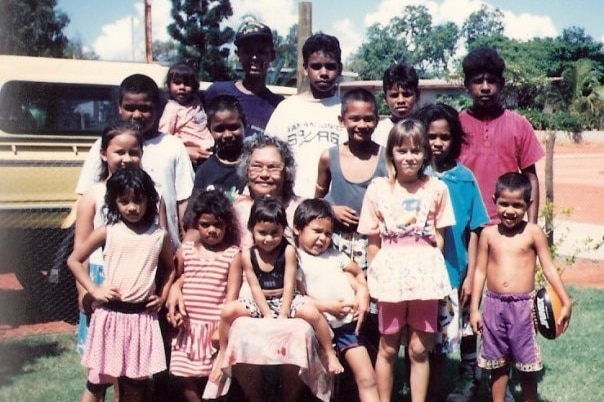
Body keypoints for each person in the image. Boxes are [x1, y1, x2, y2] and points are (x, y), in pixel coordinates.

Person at [357, 119, 455, 402]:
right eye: (402, 151)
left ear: (425, 153)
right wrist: (375, 279)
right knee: (387, 348)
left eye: (415, 151)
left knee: (418, 349)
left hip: (424, 276)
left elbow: (440, 239)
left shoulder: (436, 189)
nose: (409, 157)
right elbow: (372, 243)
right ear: (392, 155)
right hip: (390, 276)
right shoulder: (378, 189)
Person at [67, 165, 176, 402]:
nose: (132, 207)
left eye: (138, 200)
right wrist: (94, 289)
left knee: (135, 387)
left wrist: (163, 295)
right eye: (124, 201)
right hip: (110, 318)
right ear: (114, 202)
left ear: (150, 200)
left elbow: (170, 267)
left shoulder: (159, 236)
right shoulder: (108, 231)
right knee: (96, 383)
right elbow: (74, 260)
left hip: (141, 319)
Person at [212, 196, 344, 384]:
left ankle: (329, 353)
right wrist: (266, 313)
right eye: (262, 232)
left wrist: (283, 314)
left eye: (275, 233)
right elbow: (254, 286)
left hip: (286, 298)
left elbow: (290, 283)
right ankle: (224, 352)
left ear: (284, 230)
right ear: (251, 230)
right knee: (228, 311)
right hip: (260, 300)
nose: (268, 238)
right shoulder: (247, 255)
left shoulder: (288, 251)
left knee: (312, 313)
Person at [470, 172, 572, 402]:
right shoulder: (488, 234)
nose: (509, 210)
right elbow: (480, 271)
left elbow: (549, 268)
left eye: (517, 205)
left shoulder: (533, 233)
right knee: (497, 365)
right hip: (493, 307)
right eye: (504, 203)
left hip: (523, 309)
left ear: (529, 204)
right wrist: (475, 309)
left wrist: (565, 301)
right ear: (494, 199)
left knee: (527, 367)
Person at [414, 103, 489, 401]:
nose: (437, 143)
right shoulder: (414, 176)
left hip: (456, 270)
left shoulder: (464, 178)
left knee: (462, 327)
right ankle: (428, 389)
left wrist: (470, 274)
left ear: (454, 138)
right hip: (419, 272)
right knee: (426, 335)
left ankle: (469, 378)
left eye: (444, 137)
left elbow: (475, 228)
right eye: (431, 136)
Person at [75, 73, 194, 251]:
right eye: (130, 107)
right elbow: (85, 198)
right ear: (119, 108)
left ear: (158, 109)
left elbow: (184, 203)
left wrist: (187, 249)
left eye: (144, 108)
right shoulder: (103, 145)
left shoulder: (173, 146)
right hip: (110, 253)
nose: (137, 115)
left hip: (161, 252)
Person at [315, 87, 386, 386]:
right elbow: (315, 203)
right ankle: (334, 381)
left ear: (377, 120)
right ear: (341, 119)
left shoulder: (386, 157)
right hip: (338, 247)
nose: (361, 125)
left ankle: (369, 380)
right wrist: (332, 208)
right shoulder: (329, 157)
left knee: (371, 313)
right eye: (354, 118)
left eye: (368, 119)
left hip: (376, 246)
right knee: (340, 311)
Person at [293, 198, 379, 402]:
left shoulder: (335, 255)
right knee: (314, 384)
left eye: (328, 234)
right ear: (297, 229)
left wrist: (362, 293)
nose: (323, 239)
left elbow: (358, 274)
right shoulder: (295, 258)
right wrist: (327, 306)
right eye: (317, 231)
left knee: (367, 377)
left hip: (347, 326)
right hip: (315, 329)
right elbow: (298, 296)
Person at [169, 189, 242, 402]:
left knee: (216, 380)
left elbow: (232, 295)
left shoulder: (232, 254)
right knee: (185, 376)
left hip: (214, 328)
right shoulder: (186, 250)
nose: (212, 230)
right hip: (188, 328)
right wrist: (175, 300)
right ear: (195, 224)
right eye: (205, 224)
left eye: (218, 225)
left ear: (227, 225)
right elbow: (178, 279)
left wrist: (223, 328)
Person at [458, 46, 544, 225]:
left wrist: (532, 227)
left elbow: (531, 178)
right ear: (467, 85)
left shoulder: (519, 125)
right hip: (464, 224)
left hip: (507, 226)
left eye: (491, 81)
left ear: (502, 83)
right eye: (477, 81)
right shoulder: (455, 125)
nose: (485, 88)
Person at [265, 32, 347, 198]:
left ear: (340, 68)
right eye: (316, 66)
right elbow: (268, 156)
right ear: (305, 69)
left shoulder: (347, 111)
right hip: (291, 204)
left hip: (335, 207)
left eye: (330, 66)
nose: (323, 73)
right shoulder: (287, 109)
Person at [203, 18, 283, 138]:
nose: (255, 57)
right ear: (237, 55)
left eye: (261, 52)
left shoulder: (278, 105)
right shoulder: (217, 91)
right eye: (248, 51)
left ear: (272, 55)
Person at [159, 61, 214, 168]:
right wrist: (183, 151)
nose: (182, 87)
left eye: (187, 84)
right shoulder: (172, 108)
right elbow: (164, 135)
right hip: (189, 155)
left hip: (208, 149)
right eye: (177, 83)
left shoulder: (196, 101)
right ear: (169, 85)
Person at [192, 94, 246, 196]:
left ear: (244, 123)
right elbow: (193, 210)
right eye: (219, 129)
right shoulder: (205, 170)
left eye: (233, 127)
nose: (227, 135)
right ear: (209, 129)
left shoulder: (254, 165)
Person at [373, 62, 420, 147]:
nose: (401, 100)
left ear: (417, 95)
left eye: (406, 94)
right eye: (394, 95)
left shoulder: (424, 128)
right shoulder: (376, 132)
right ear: (385, 98)